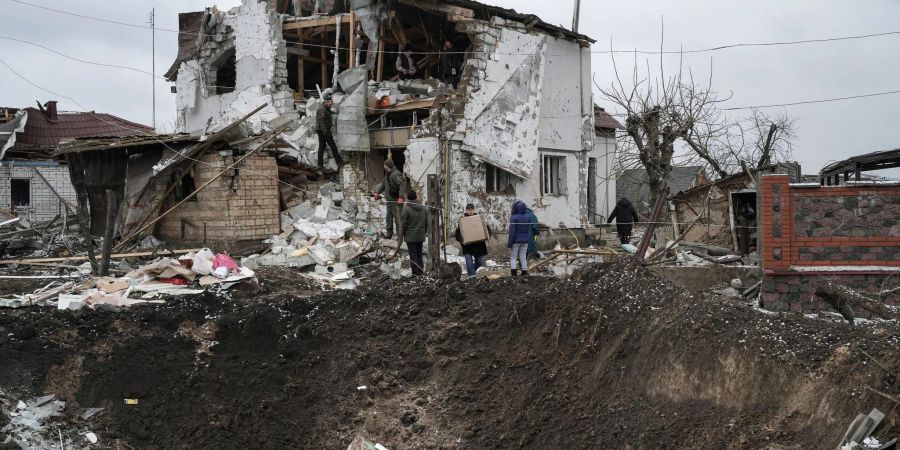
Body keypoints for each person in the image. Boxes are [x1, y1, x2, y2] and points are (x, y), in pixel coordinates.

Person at [454, 203, 491, 280]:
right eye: (468, 209)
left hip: (479, 245)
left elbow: (486, 229)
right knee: (468, 261)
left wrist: (487, 236)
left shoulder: (479, 219)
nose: (470, 211)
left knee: (479, 261)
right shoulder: (462, 221)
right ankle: (472, 278)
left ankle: (471, 271)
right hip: (467, 246)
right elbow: (457, 234)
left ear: (474, 210)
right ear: (466, 210)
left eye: (472, 209)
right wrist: (461, 240)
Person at [373, 159, 407, 239]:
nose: (384, 167)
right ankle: (389, 234)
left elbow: (402, 185)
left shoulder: (396, 174)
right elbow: (384, 185)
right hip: (389, 201)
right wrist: (377, 193)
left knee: (398, 219)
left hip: (396, 201)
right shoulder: (387, 174)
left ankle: (400, 236)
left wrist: (401, 197)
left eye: (385, 165)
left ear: (388, 166)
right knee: (389, 218)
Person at [400, 191, 428, 276]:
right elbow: (426, 223)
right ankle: (421, 272)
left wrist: (403, 234)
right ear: (416, 197)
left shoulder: (406, 208)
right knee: (419, 254)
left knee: (413, 255)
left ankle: (415, 274)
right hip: (420, 235)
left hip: (410, 236)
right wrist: (424, 232)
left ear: (408, 198)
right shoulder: (423, 208)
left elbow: (403, 224)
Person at [315, 96, 344, 169]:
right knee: (333, 146)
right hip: (323, 130)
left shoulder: (326, 108)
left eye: (331, 104)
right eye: (330, 104)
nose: (331, 106)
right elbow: (321, 122)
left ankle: (320, 165)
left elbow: (329, 112)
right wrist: (326, 132)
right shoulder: (321, 109)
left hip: (322, 130)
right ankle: (339, 162)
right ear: (326, 102)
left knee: (322, 146)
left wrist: (335, 111)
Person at [508, 200, 531, 276]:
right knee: (523, 257)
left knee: (513, 257)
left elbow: (512, 232)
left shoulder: (514, 218)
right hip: (525, 241)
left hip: (516, 241)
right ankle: (524, 272)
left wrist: (510, 243)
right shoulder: (527, 218)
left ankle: (514, 274)